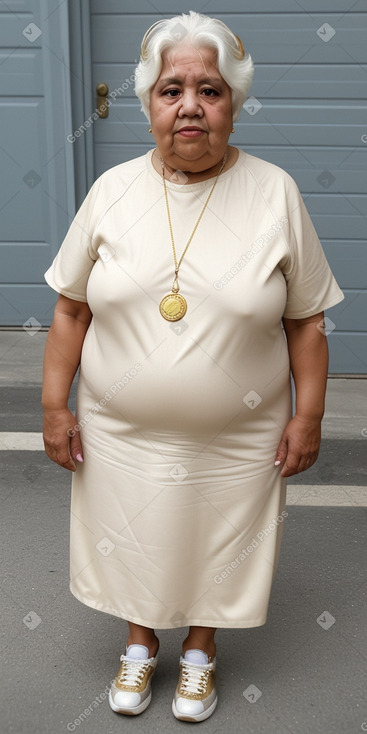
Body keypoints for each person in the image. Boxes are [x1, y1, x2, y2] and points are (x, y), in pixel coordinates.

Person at [42, 10, 344, 724]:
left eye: (208, 90)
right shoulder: (112, 191)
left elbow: (304, 320)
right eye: (171, 88)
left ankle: (201, 653)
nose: (189, 106)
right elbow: (71, 311)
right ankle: (140, 645)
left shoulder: (274, 193)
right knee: (132, 535)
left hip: (238, 435)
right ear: (147, 102)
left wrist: (308, 415)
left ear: (232, 103)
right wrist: (55, 406)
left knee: (220, 537)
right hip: (119, 429)